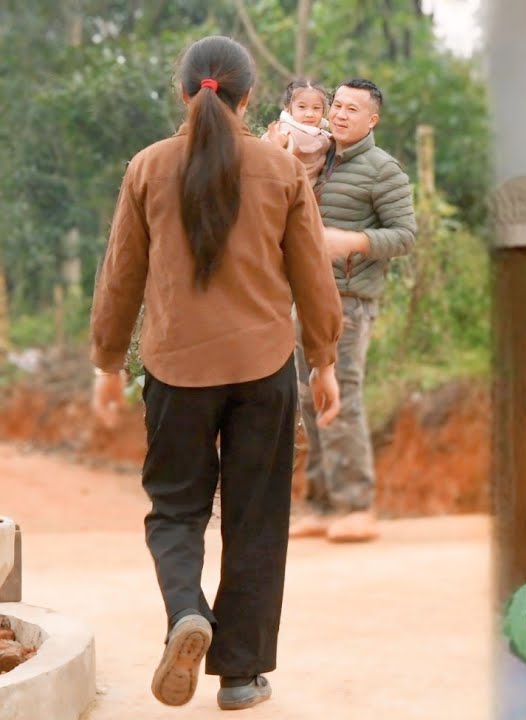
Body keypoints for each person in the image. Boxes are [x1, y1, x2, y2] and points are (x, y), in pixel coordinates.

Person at [89, 35, 343, 710]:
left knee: (175, 509)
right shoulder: (281, 170)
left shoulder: (147, 167)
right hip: (263, 369)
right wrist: (324, 360)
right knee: (256, 518)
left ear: (183, 92)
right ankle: (239, 675)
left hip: (176, 369)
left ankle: (184, 614)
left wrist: (108, 362)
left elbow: (122, 276)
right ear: (249, 96)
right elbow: (312, 274)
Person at [288, 77, 417, 543]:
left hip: (349, 299)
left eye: (351, 109)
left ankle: (356, 506)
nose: (339, 115)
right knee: (309, 398)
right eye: (336, 106)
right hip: (303, 297)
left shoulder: (384, 170)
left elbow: (405, 235)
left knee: (342, 395)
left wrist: (354, 241)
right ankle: (321, 505)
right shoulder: (317, 157)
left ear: (372, 119)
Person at [262, 78, 333, 185]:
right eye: (302, 107)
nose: (309, 114)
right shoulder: (282, 130)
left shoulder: (323, 133)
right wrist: (284, 144)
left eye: (316, 108)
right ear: (287, 107)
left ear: (323, 110)